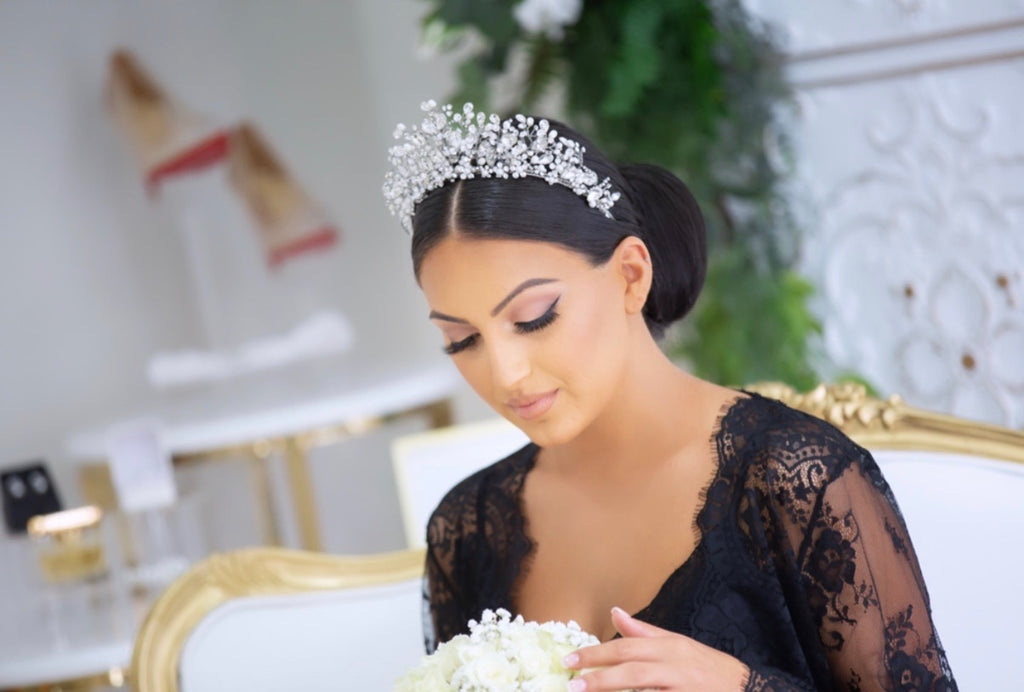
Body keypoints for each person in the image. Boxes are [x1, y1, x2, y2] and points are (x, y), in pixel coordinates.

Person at [383, 102, 956, 691]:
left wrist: (743, 688)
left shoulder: (794, 483)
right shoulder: (468, 528)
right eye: (462, 339)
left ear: (631, 275)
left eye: (534, 318)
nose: (505, 373)